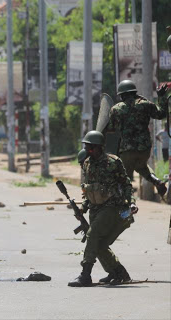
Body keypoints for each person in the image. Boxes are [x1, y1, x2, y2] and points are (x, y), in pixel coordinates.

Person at [68, 131, 137, 287]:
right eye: (86, 148)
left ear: (99, 148)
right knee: (98, 244)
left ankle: (85, 275)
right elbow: (88, 190)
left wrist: (131, 202)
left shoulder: (113, 162)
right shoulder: (87, 164)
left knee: (92, 235)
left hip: (112, 207)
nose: (88, 151)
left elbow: (126, 184)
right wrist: (82, 208)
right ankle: (118, 273)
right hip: (95, 208)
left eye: (91, 148)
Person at [107, 80, 168, 196]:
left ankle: (129, 203)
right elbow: (161, 114)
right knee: (141, 167)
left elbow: (111, 129)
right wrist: (161, 97)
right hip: (144, 149)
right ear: (134, 92)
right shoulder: (146, 104)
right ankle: (157, 181)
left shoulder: (116, 109)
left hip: (127, 150)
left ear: (122, 95)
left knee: (123, 178)